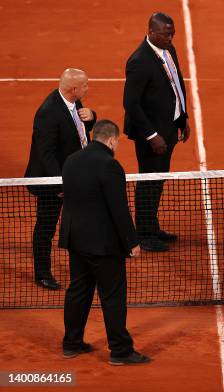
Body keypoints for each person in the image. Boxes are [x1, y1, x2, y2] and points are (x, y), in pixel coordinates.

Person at [59, 120, 150, 365]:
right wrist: (132, 241)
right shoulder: (110, 166)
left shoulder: (71, 160)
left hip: (76, 240)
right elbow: (119, 209)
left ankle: (71, 343)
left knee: (78, 290)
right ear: (111, 140)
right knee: (112, 296)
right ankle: (120, 351)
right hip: (104, 245)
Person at [123, 12, 190, 252]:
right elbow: (131, 104)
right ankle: (144, 234)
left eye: (172, 33)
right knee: (148, 182)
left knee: (158, 181)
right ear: (151, 32)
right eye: (165, 34)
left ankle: (152, 226)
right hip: (152, 136)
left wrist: (183, 118)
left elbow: (176, 84)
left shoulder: (168, 50)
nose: (170, 38)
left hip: (169, 127)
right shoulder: (139, 60)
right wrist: (152, 136)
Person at [24, 68, 96, 290]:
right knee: (46, 227)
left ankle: (86, 265)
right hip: (51, 183)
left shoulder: (74, 102)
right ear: (74, 89)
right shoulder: (48, 112)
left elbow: (79, 131)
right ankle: (42, 272)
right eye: (84, 85)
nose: (87, 88)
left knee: (82, 222)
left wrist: (92, 118)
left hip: (74, 176)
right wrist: (59, 183)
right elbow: (45, 153)